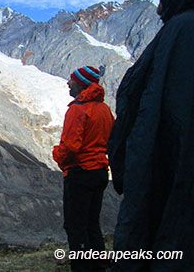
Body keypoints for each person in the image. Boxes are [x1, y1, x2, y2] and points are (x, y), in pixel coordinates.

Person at [108, 0, 194, 271]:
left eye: (163, 0)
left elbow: (139, 107)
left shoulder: (180, 31)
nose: (158, 10)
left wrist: (128, 171)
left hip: (167, 174)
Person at [53, 66, 114, 272]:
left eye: (71, 80)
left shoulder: (78, 109)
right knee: (91, 223)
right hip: (99, 171)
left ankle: (82, 268)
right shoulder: (104, 109)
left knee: (75, 226)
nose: (68, 83)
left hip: (80, 172)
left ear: (80, 83)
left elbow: (70, 147)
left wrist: (57, 156)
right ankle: (98, 266)